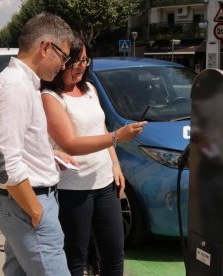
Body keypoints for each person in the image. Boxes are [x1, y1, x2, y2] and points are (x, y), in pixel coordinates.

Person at [40, 34, 147, 276]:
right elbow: (71, 143)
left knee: (114, 253)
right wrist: (118, 136)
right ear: (62, 62)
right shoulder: (51, 97)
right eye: (75, 60)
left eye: (85, 60)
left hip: (105, 184)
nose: (80, 66)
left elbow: (101, 129)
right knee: (75, 258)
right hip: (73, 189)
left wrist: (115, 163)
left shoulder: (88, 88)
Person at [0, 12, 74, 276]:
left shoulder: (19, 84)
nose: (64, 65)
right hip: (28, 205)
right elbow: (4, 162)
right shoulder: (15, 87)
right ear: (46, 47)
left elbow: (14, 148)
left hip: (20, 203)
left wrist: (49, 155)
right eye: (64, 57)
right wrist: (35, 210)